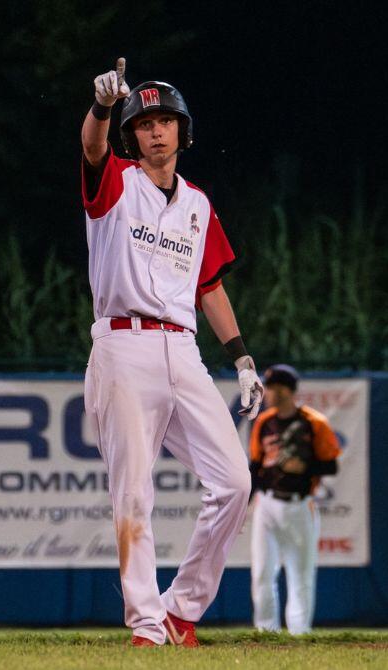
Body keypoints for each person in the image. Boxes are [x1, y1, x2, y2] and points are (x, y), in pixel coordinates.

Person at [80, 58, 264, 648]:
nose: (156, 131)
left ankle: (181, 609)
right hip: (123, 343)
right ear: (132, 136)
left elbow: (207, 285)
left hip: (182, 349)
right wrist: (103, 109)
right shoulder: (116, 183)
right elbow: (90, 149)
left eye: (166, 121)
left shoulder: (198, 204)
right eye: (145, 123)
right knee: (134, 491)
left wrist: (240, 357)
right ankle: (146, 625)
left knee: (235, 481)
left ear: (183, 131)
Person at [248, 364, 341, 634]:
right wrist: (246, 503)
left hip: (300, 504)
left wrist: (305, 467)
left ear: (285, 390)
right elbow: (255, 466)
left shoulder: (314, 423)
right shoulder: (264, 422)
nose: (267, 394)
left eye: (272, 388)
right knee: (262, 572)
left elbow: (331, 466)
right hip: (266, 504)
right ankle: (266, 631)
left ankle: (299, 633)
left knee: (300, 575)